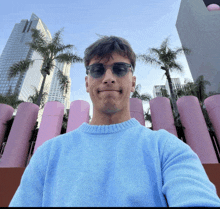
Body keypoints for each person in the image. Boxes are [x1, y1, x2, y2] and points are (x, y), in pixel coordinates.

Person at [9, 36, 220, 207]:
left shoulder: (166, 148)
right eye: (97, 70)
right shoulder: (49, 154)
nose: (108, 77)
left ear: (133, 82)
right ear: (87, 81)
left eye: (119, 69)